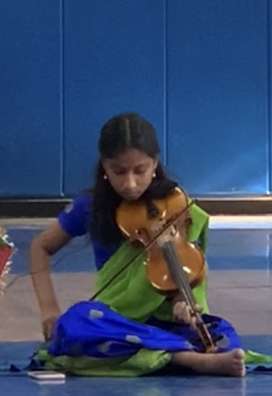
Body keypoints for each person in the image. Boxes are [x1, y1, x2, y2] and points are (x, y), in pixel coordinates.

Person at [29, 112, 247, 377]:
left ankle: (165, 352)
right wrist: (49, 310)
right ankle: (185, 358)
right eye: (118, 171)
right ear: (104, 167)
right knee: (77, 321)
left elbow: (181, 264)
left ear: (154, 163)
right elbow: (40, 247)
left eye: (140, 170)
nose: (130, 183)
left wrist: (182, 302)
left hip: (166, 324)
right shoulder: (90, 206)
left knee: (220, 333)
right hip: (115, 321)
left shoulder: (176, 205)